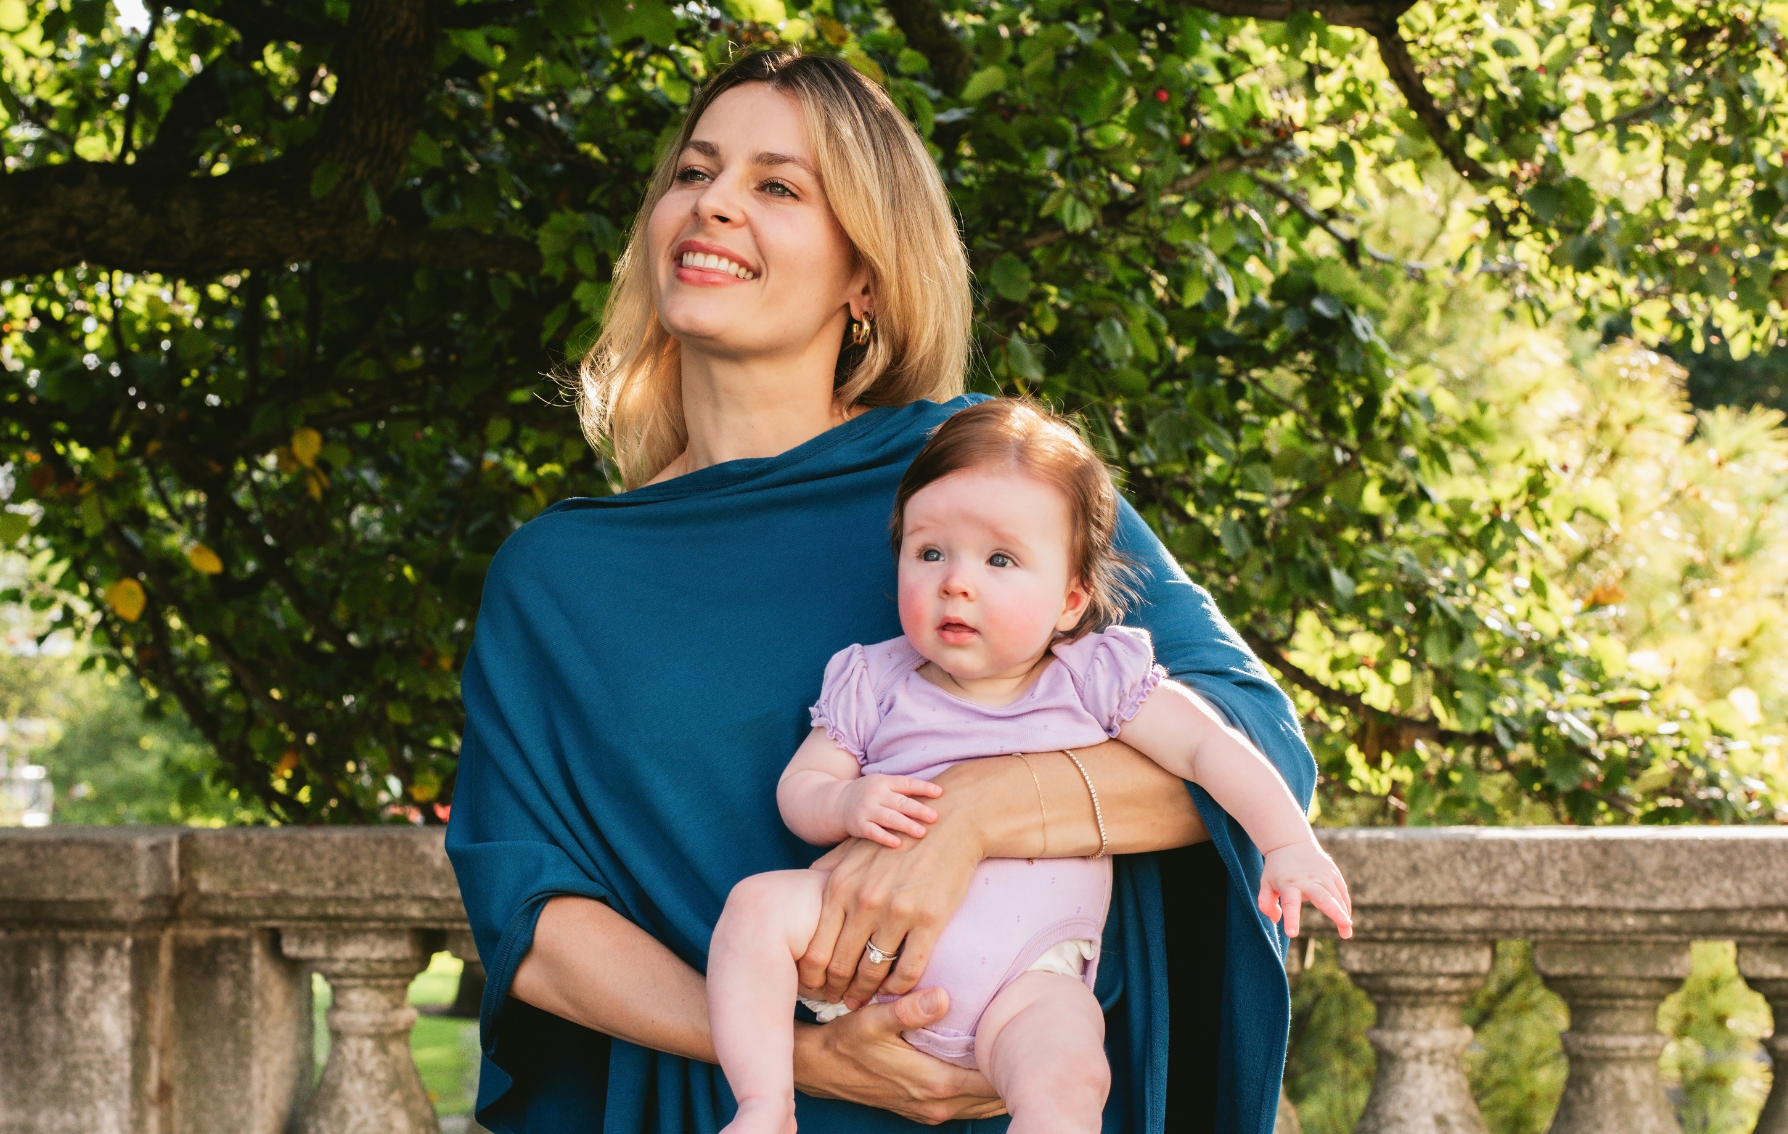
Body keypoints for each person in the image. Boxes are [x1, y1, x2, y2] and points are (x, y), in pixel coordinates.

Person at [447, 47, 1318, 1134]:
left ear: (866, 275)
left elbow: (1251, 745)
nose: (713, 204)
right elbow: (533, 926)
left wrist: (978, 815)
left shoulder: (985, 479)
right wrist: (803, 1058)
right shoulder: (558, 580)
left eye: (775, 186)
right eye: (692, 173)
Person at [705, 399, 1352, 1134]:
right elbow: (801, 789)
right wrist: (847, 805)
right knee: (755, 910)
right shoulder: (875, 681)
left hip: (1026, 980)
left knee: (1069, 1071)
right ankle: (764, 1105)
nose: (957, 582)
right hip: (864, 956)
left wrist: (1288, 842)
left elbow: (1211, 750)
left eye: (1000, 560)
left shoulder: (1092, 680)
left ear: (1072, 599)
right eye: (930, 553)